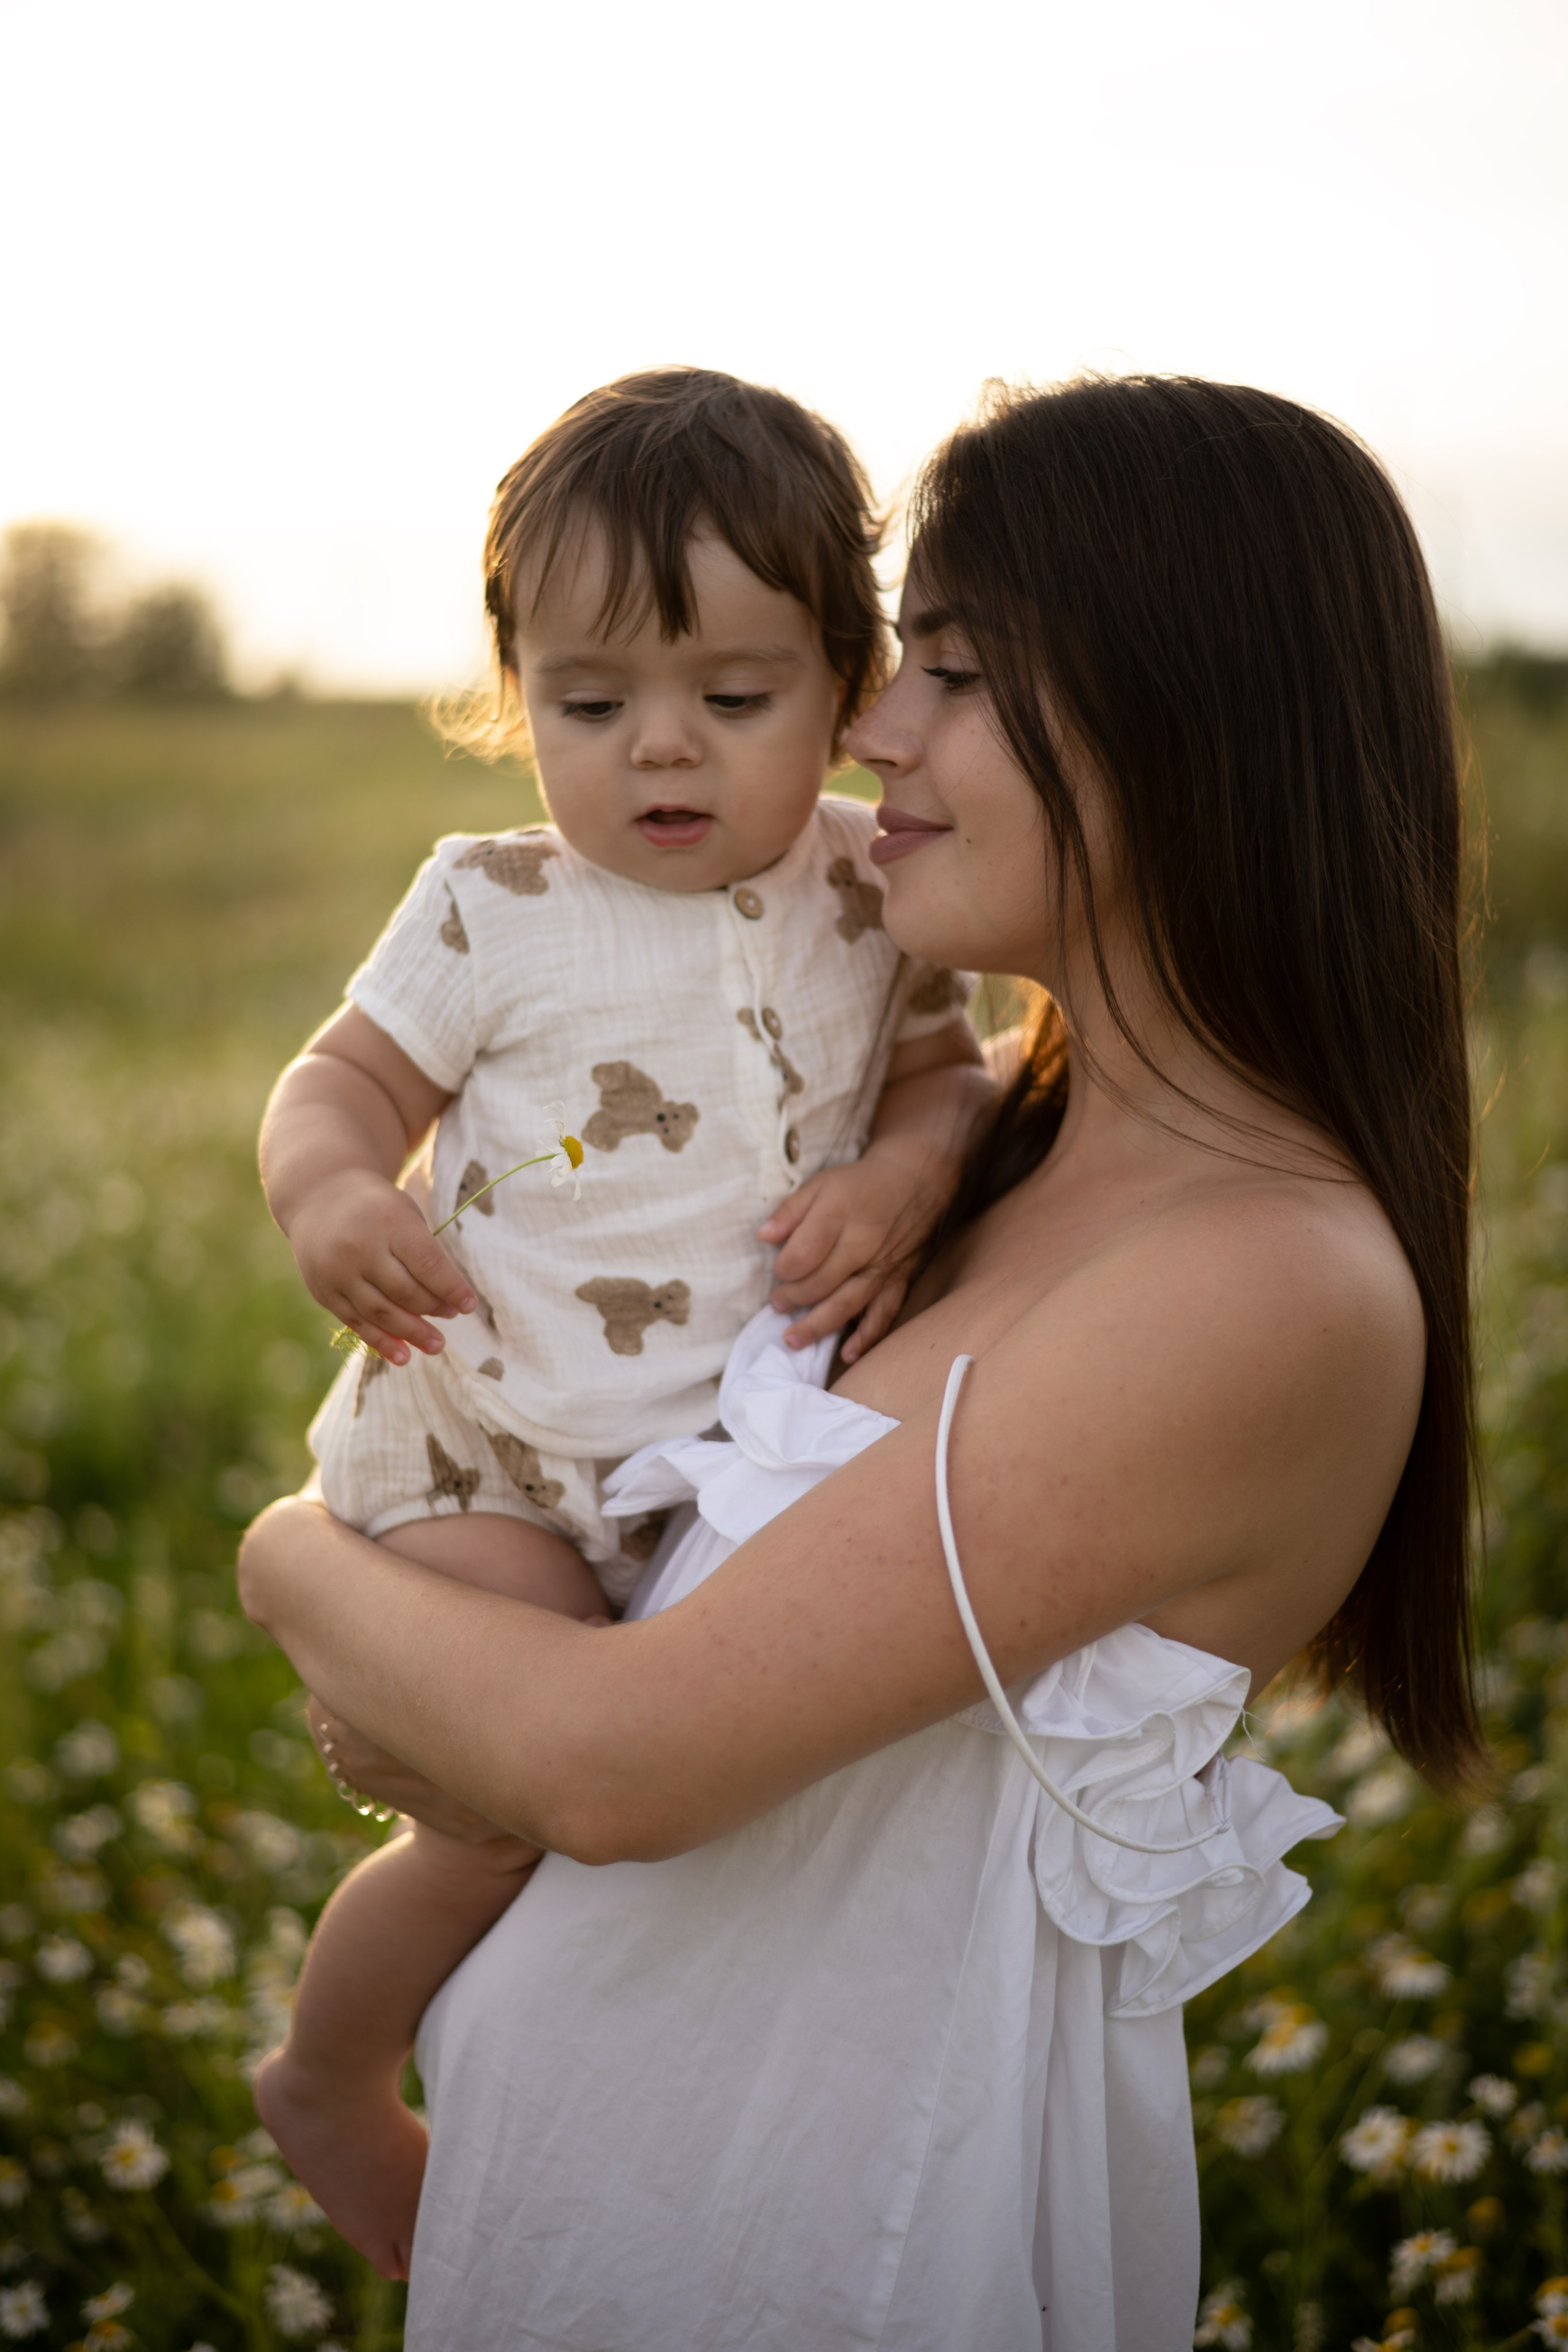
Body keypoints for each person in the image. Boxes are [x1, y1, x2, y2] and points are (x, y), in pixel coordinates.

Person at [239, 373, 1482, 2351]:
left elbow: (612, 1762)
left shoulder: (1268, 1282)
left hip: (834, 2255)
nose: (874, 729)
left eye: (957, 670)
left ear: (1195, 719)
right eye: (899, 661)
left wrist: (292, 1564)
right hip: (598, 2215)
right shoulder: (983, 1148)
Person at [250, 369, 990, 2271]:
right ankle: (331, 2080)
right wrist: (335, 1192)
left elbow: (940, 1083)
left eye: (733, 700)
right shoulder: (490, 902)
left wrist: (907, 1175)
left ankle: (618, 2145)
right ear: (516, 692)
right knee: (498, 1820)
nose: (660, 752)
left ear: (846, 686)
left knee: (694, 1811)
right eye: (589, 705)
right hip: (483, 1440)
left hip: (710, 1467)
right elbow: (339, 1086)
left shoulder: (868, 886)